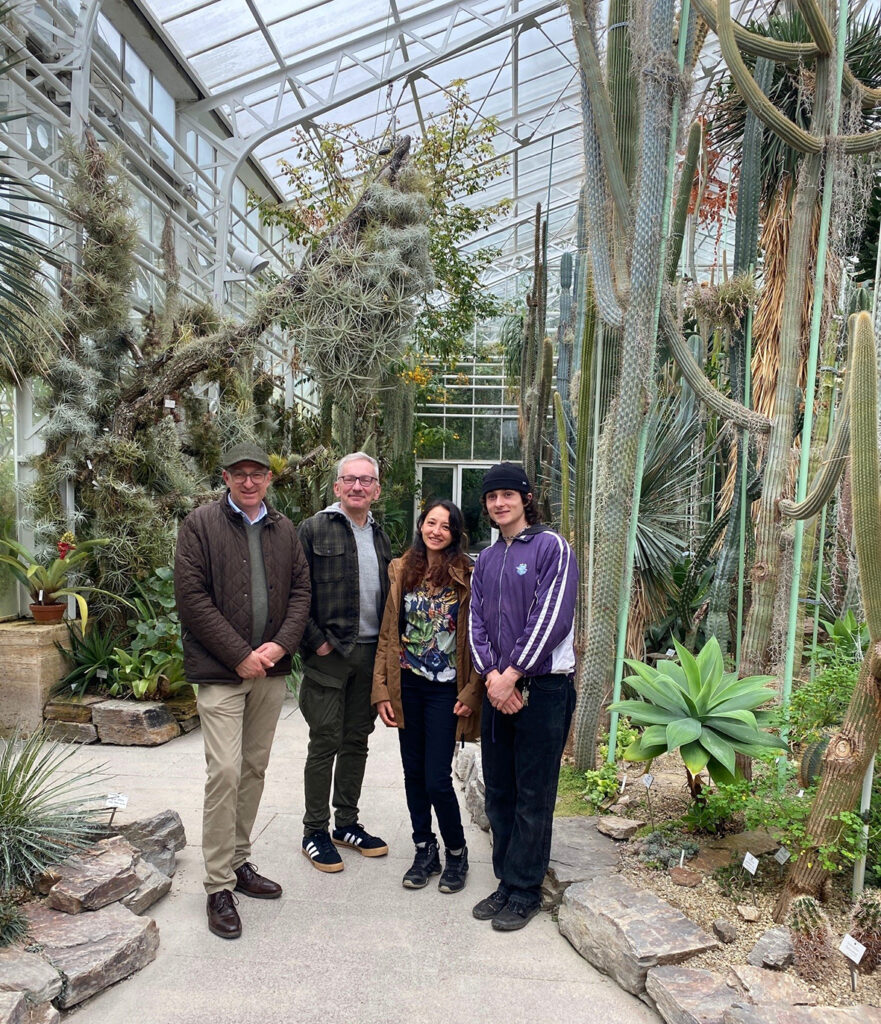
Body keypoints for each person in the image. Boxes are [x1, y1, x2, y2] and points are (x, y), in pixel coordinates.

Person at [175, 442, 311, 940]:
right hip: (221, 672)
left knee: (253, 768)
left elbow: (301, 591)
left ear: (269, 479)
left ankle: (238, 861)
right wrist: (240, 655)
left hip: (270, 672)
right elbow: (191, 598)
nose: (249, 481)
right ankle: (216, 886)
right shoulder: (200, 525)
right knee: (225, 771)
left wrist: (277, 648)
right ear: (226, 477)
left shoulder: (283, 528)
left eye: (257, 474)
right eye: (239, 473)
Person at [468, 462, 578, 931]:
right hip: (499, 690)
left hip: (543, 688)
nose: (499, 503)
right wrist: (493, 676)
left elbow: (552, 616)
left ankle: (526, 889)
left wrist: (511, 674)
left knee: (534, 793)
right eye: (492, 497)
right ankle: (505, 881)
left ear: (525, 499)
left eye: (508, 495)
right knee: (501, 792)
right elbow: (475, 623)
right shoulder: (487, 559)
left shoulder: (551, 547)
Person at [372, 499, 482, 893]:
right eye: (431, 522)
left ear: (456, 533)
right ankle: (424, 849)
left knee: (437, 778)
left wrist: (473, 689)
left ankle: (456, 851)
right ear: (421, 525)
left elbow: (479, 637)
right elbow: (388, 633)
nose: (436, 530)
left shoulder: (469, 573)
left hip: (446, 690)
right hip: (408, 685)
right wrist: (381, 689)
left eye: (446, 525)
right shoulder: (402, 569)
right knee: (413, 775)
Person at [297, 452, 392, 871]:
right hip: (330, 654)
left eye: (366, 480)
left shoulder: (381, 535)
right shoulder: (314, 529)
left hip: (370, 655)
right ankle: (314, 830)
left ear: (376, 489)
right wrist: (315, 643)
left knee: (357, 740)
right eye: (349, 479)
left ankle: (346, 823)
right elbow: (294, 593)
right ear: (336, 487)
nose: (357, 486)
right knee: (324, 740)